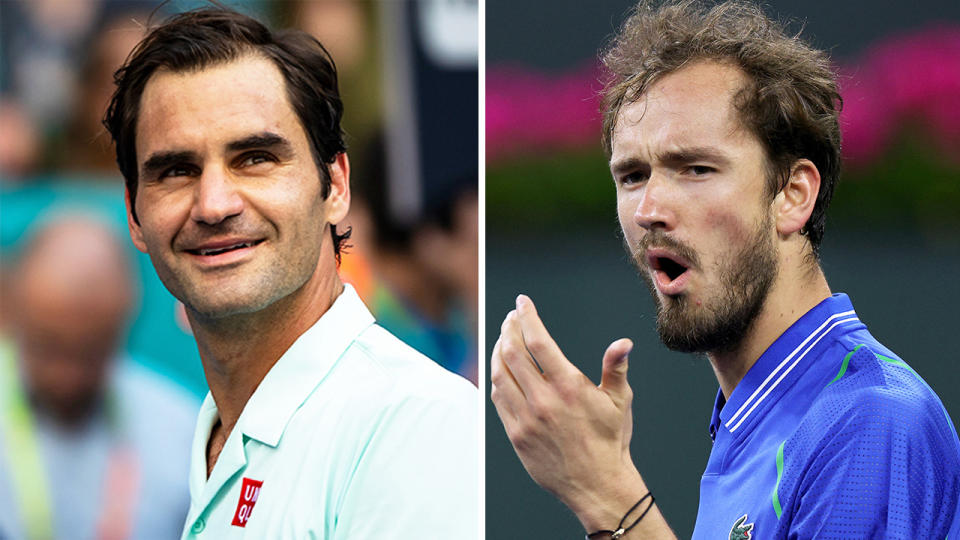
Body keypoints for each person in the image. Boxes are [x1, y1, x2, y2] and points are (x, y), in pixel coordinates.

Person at [490, 1, 960, 538]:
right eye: (632, 176)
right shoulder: (753, 420)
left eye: (695, 168)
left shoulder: (870, 421)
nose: (648, 211)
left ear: (792, 193)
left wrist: (609, 497)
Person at [102, 7, 477, 539]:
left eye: (254, 158)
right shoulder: (219, 429)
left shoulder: (417, 426)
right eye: (176, 170)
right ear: (134, 214)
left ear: (336, 186)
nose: (213, 204)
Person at [0, 214, 196, 540]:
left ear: (123, 325)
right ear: (10, 312)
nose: (67, 377)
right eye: (47, 347)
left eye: (89, 353)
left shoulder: (184, 435)